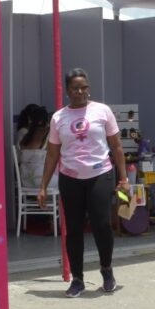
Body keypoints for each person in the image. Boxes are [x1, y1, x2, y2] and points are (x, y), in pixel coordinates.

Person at [38, 68, 131, 297]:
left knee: (101, 225)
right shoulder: (59, 118)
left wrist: (124, 179)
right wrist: (43, 186)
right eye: (75, 89)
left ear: (88, 88)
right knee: (74, 230)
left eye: (84, 87)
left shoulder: (102, 111)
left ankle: (106, 269)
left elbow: (117, 147)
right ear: (68, 91)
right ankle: (77, 279)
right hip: (70, 179)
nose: (80, 92)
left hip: (100, 175)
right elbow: (52, 155)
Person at [16, 104, 56, 192]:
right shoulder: (49, 134)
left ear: (31, 120)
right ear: (47, 121)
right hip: (45, 182)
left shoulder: (25, 136)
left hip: (26, 181)